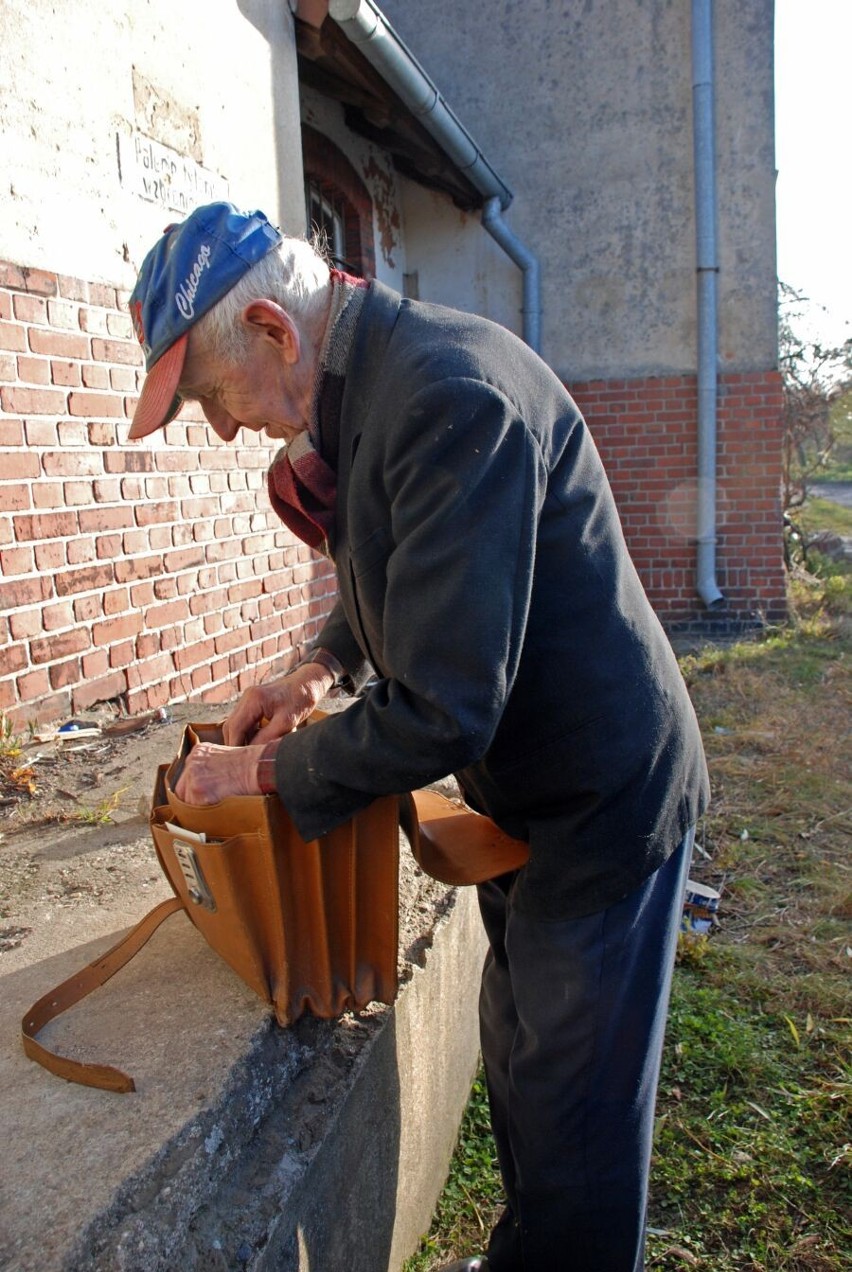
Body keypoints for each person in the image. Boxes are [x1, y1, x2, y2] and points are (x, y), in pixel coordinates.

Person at [128, 201, 710, 1272]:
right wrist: (315, 672)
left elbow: (446, 708)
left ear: (273, 330)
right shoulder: (379, 388)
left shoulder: (446, 396)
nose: (218, 426)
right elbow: (408, 573)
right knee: (524, 1060)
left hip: (600, 798)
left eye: (209, 394)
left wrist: (254, 768)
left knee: (577, 1119)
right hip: (528, 796)